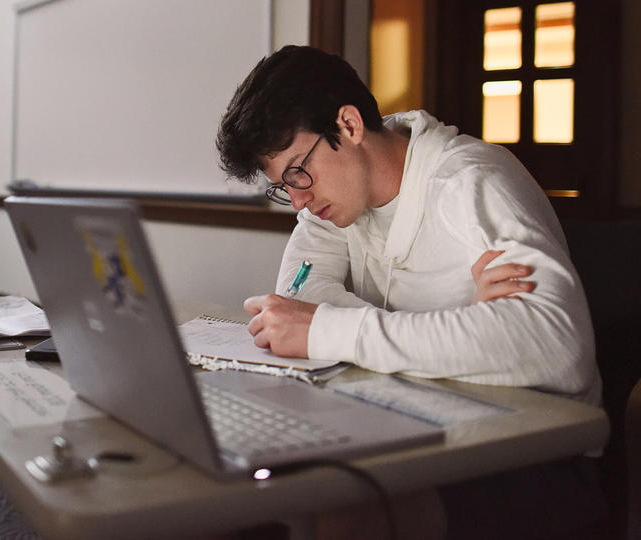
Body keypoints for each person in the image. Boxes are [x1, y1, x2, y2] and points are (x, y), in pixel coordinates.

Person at [215, 45, 606, 539]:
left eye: (298, 171)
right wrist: (465, 322)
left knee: (341, 514)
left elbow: (557, 350)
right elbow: (302, 304)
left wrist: (337, 330)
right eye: (283, 186)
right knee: (263, 487)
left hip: (534, 449)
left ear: (350, 126)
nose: (299, 199)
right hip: (414, 422)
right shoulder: (334, 204)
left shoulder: (473, 181)